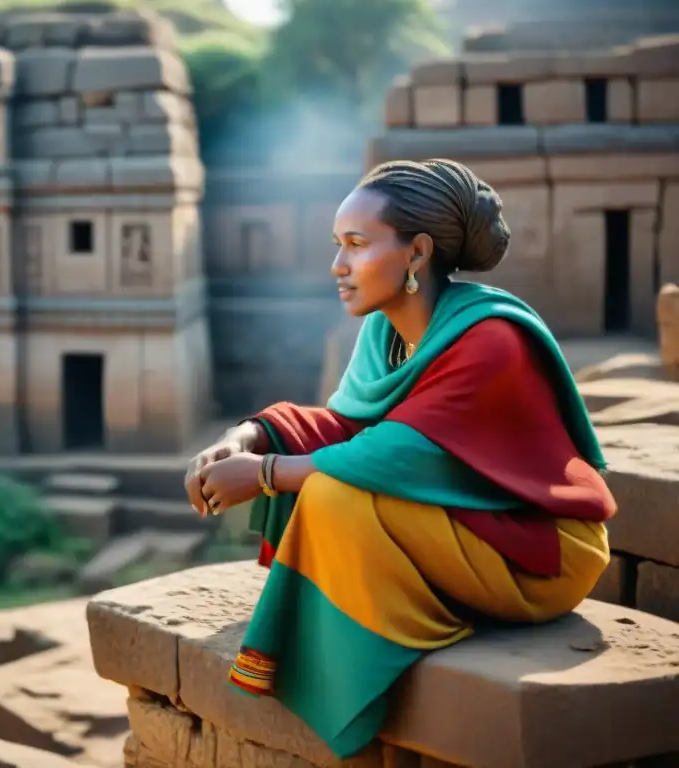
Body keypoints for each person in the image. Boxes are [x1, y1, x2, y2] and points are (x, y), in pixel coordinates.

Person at [183, 159, 616, 758]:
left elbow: (407, 451)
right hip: (467, 530)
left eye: (356, 245)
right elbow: (350, 428)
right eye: (338, 246)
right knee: (332, 482)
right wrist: (249, 438)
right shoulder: (385, 333)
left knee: (334, 493)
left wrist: (264, 476)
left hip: (537, 550)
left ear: (416, 253)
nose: (338, 266)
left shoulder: (491, 338)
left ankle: (386, 643)